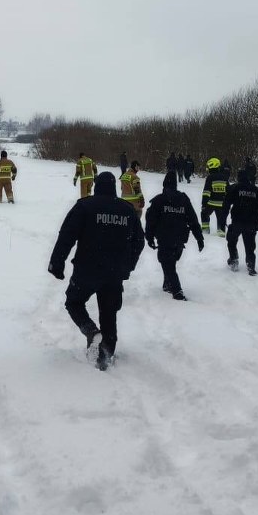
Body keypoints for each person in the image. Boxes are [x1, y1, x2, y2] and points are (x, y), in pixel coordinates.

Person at [48, 171, 146, 371]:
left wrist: (57, 263)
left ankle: (91, 332)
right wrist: (128, 266)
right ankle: (105, 356)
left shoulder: (84, 206)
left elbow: (66, 235)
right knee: (109, 313)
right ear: (114, 188)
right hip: (114, 272)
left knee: (73, 302)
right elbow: (139, 241)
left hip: (87, 269)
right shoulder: (127, 210)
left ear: (96, 186)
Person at [144, 171, 205, 300]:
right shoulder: (183, 199)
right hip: (179, 240)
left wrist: (149, 237)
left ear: (164, 184)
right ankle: (167, 284)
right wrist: (199, 237)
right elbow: (193, 220)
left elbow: (150, 220)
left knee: (168, 264)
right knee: (170, 263)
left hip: (165, 239)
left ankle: (177, 291)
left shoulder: (159, 200)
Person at [222, 169, 258, 275]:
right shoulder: (256, 190)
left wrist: (223, 219)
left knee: (231, 241)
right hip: (251, 223)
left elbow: (226, 204)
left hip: (237, 221)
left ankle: (234, 260)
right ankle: (251, 266)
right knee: (250, 246)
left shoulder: (235, 188)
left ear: (239, 177)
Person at [200, 157, 229, 235]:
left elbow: (206, 192)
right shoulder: (225, 177)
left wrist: (204, 204)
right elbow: (228, 191)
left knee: (204, 214)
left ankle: (205, 231)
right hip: (222, 204)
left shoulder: (210, 177)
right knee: (221, 218)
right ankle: (221, 233)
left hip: (211, 203)